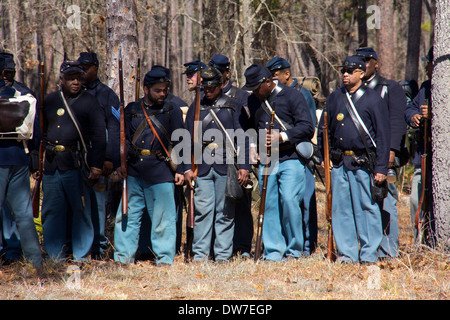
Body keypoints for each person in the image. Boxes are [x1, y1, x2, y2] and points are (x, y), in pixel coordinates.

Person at [317, 56, 390, 264]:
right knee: (341, 210)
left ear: (361, 73)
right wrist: (325, 156)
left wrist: (381, 167)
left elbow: (383, 136)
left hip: (363, 164)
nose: (346, 75)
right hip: (340, 163)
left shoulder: (373, 98)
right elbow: (325, 131)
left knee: (367, 208)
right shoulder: (334, 98)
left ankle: (368, 254)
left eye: (350, 71)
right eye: (344, 71)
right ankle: (347, 254)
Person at [114, 68, 185, 266]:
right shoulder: (131, 110)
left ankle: (164, 259)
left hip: (161, 171)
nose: (163, 94)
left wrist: (180, 169)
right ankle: (123, 258)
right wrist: (121, 162)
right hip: (135, 170)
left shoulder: (172, 110)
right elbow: (122, 140)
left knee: (164, 219)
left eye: (165, 89)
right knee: (127, 216)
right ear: (146, 89)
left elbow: (181, 142)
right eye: (158, 90)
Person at [244, 64, 314, 261]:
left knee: (290, 201)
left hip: (290, 156)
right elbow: (250, 127)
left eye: (257, 87)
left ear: (268, 81)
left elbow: (307, 127)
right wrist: (251, 146)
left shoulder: (293, 96)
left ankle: (294, 250)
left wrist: (282, 136)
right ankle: (274, 251)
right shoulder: (253, 100)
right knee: (269, 204)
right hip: (267, 158)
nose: (255, 92)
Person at [41, 60, 106, 261]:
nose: (76, 82)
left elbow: (99, 136)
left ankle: (81, 256)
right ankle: (55, 256)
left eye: (78, 78)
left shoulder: (89, 101)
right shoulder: (50, 100)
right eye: (71, 78)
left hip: (76, 163)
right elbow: (40, 134)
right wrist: (36, 161)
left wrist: (96, 165)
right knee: (52, 211)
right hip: (52, 164)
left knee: (81, 210)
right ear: (61, 80)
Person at [184, 65, 250, 263]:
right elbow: (186, 140)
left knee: (225, 212)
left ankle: (222, 256)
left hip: (226, 164)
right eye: (205, 87)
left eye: (212, 86)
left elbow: (243, 138)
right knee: (203, 212)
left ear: (221, 85)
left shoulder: (234, 105)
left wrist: (244, 166)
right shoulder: (196, 106)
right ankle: (201, 256)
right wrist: (186, 167)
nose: (208, 90)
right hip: (201, 167)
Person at [355, 47, 407, 259]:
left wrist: (392, 152)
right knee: (363, 203)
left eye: (367, 60)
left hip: (383, 153)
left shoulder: (389, 88)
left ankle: (389, 250)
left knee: (385, 200)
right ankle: (369, 248)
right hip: (359, 156)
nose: (363, 64)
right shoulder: (352, 89)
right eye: (359, 61)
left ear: (376, 63)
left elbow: (396, 122)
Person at [265, 56, 318, 256]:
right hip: (276, 157)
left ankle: (305, 247)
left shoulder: (301, 95)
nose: (272, 80)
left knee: (301, 203)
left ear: (286, 74)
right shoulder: (271, 96)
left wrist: (284, 137)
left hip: (298, 154)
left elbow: (308, 125)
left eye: (275, 75)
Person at [208, 54, 253, 258]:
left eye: (219, 71)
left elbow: (248, 129)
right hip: (211, 158)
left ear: (227, 72)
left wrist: (247, 161)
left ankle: (242, 247)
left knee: (240, 201)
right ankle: (214, 248)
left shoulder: (240, 96)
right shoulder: (205, 94)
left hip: (237, 155)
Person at [77, 51, 121, 258]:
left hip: (99, 157)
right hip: (75, 158)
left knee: (98, 205)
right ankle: (76, 245)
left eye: (87, 67)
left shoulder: (107, 94)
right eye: (81, 67)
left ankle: (98, 247)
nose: (84, 71)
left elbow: (113, 127)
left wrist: (109, 158)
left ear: (96, 67)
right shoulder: (73, 91)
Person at [0, 59, 42, 268]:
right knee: (24, 213)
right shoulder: (25, 96)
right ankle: (35, 262)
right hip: (19, 157)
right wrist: (33, 158)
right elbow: (36, 130)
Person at [404, 46, 434, 244]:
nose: (427, 67)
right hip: (423, 155)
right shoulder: (425, 87)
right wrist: (414, 116)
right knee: (416, 200)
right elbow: (409, 109)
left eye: (429, 64)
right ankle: (419, 243)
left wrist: (434, 114)